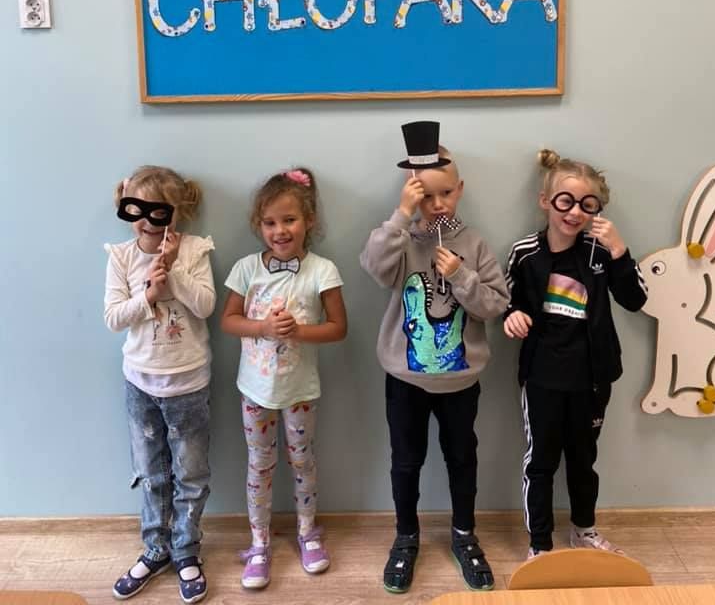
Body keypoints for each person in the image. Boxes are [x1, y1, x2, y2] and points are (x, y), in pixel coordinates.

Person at [360, 121, 509, 594]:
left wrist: (462, 276)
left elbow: (494, 305)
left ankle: (464, 534)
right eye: (427, 196)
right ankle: (406, 537)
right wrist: (401, 217)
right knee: (406, 461)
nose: (438, 204)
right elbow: (374, 268)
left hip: (461, 382)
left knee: (462, 458)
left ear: (460, 190)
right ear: (413, 194)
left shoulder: (475, 244)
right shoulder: (402, 239)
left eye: (446, 193)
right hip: (406, 379)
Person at [504, 149, 647, 559]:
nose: (574, 212)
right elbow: (505, 299)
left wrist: (620, 250)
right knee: (541, 462)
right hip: (542, 376)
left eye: (588, 204)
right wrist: (512, 315)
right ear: (545, 201)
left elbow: (635, 299)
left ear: (597, 210)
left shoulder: (601, 251)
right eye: (565, 201)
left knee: (584, 460)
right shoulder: (525, 252)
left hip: (592, 377)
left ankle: (584, 530)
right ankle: (540, 545)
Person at [221, 167, 347, 590]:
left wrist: (298, 331)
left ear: (308, 220)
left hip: (300, 391)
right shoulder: (246, 269)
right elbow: (228, 320)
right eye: (270, 222)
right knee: (259, 465)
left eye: (289, 220)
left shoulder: (322, 270)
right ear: (259, 225)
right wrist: (263, 327)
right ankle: (258, 542)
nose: (280, 231)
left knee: (302, 461)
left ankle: (308, 532)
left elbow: (338, 328)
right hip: (255, 391)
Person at [104, 165, 215, 604]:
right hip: (140, 383)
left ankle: (186, 549)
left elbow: (205, 306)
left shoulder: (195, 250)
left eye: (158, 211)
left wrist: (174, 271)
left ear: (177, 211)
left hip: (188, 382)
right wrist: (148, 295)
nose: (147, 221)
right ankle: (156, 548)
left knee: (191, 473)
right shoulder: (121, 256)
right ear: (126, 208)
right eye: (137, 210)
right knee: (151, 474)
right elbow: (113, 318)